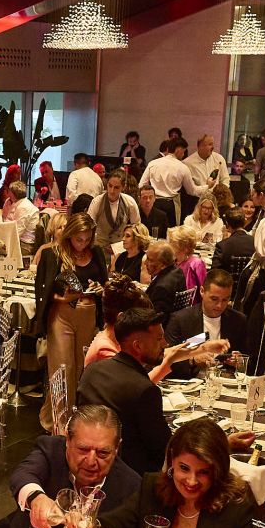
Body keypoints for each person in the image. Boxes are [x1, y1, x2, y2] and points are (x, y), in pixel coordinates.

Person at [100, 417, 258, 528]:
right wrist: (85, 523)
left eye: (203, 472)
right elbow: (113, 524)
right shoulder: (154, 488)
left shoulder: (235, 507)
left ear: (218, 471)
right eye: (184, 468)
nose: (191, 480)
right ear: (172, 460)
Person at [0, 407, 141, 528]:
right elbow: (23, 475)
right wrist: (36, 498)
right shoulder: (51, 449)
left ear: (117, 448)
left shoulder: (131, 487)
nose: (90, 461)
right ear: (68, 440)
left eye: (103, 453)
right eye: (83, 449)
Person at [36, 213, 111, 429]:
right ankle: (59, 424)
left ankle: (68, 417)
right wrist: (63, 297)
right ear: (70, 235)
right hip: (62, 313)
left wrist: (99, 289)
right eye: (79, 239)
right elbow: (43, 289)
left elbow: (104, 282)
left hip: (88, 312)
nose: (83, 244)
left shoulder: (96, 252)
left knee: (80, 367)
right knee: (62, 367)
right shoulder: (53, 253)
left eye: (87, 239)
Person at [79, 307, 172, 474]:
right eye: (159, 339)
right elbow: (164, 448)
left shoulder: (92, 370)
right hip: (130, 476)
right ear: (137, 346)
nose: (164, 344)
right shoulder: (145, 390)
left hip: (87, 462)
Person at [165, 271, 249, 378]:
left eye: (225, 300)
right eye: (214, 299)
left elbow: (250, 360)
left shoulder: (238, 320)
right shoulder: (181, 320)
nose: (219, 305)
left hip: (225, 382)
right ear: (202, 291)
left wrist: (240, 362)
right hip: (190, 381)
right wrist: (193, 360)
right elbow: (166, 361)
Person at [139, 138, 211, 225]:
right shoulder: (182, 167)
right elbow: (192, 191)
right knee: (171, 234)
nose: (183, 154)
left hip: (154, 203)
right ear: (178, 150)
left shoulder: (153, 163)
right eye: (183, 151)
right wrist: (208, 186)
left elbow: (142, 185)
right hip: (171, 205)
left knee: (152, 232)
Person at [89, 172, 142, 251]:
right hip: (99, 247)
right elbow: (89, 226)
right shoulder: (97, 202)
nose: (112, 191)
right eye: (110, 186)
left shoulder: (130, 202)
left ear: (123, 187)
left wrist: (118, 247)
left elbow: (137, 228)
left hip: (121, 247)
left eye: (116, 187)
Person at [143, 240, 187, 317]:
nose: (145, 263)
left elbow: (155, 320)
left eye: (150, 260)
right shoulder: (177, 271)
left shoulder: (161, 288)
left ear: (163, 264)